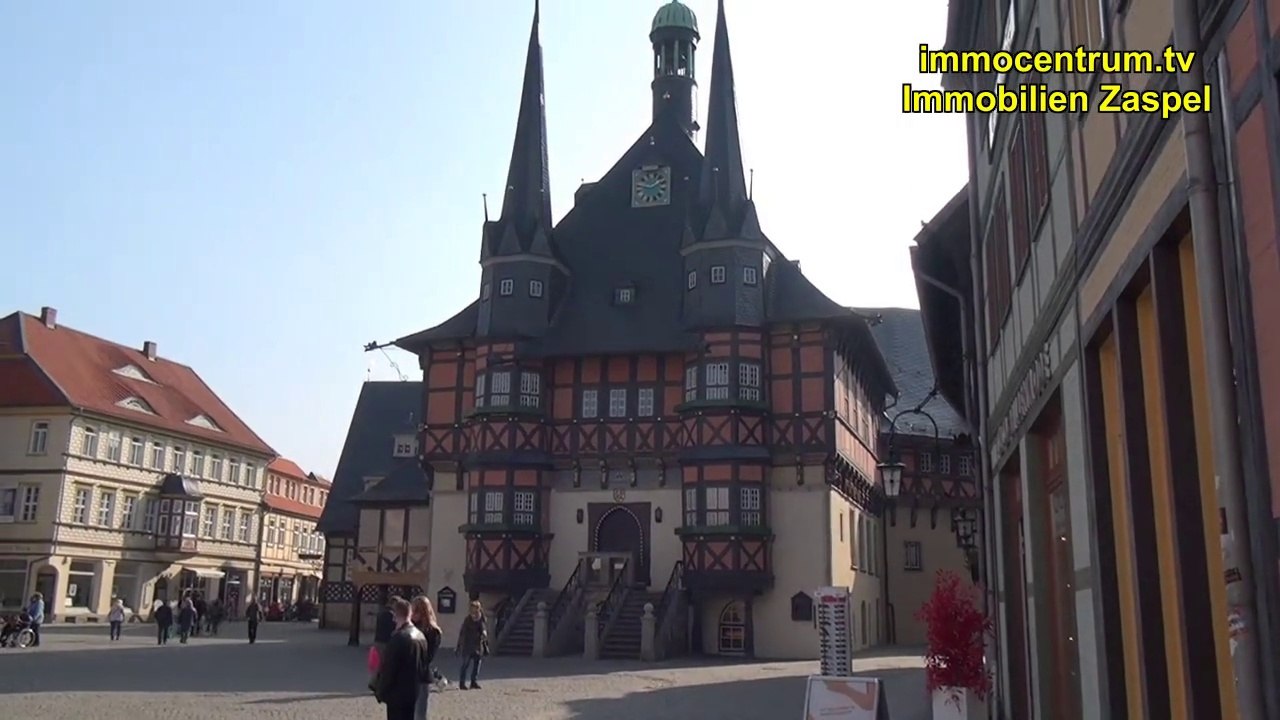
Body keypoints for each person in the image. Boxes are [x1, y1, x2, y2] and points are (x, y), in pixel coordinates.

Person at [373, 597, 430, 720]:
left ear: (395, 616)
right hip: (413, 692)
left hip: (397, 694)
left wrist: (380, 691)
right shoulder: (421, 636)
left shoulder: (398, 638)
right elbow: (423, 666)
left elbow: (389, 669)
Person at [409, 596, 443, 720]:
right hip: (407, 675)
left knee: (419, 714)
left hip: (421, 675)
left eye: (414, 611)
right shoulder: (410, 628)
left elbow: (428, 657)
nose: (411, 615)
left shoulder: (433, 632)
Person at [455, 601, 488, 690]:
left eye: (476, 608)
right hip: (468, 644)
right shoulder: (468, 619)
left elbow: (483, 627)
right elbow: (463, 633)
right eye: (473, 608)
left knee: (477, 664)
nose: (475, 610)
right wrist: (459, 645)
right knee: (465, 665)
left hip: (478, 644)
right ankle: (462, 683)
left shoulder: (482, 618)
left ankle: (474, 682)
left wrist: (484, 633)